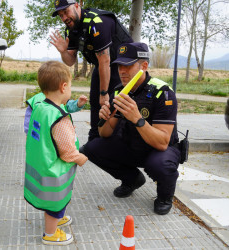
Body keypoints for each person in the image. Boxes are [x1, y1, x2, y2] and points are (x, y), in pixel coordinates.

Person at [83, 42, 181, 215]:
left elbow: (163, 142)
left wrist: (137, 119)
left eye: (127, 65)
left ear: (144, 66)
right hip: (131, 144)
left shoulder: (163, 92)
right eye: (120, 65)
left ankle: (165, 196)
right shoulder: (120, 91)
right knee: (91, 148)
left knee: (160, 163)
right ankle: (132, 179)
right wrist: (105, 118)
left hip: (157, 149)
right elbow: (105, 134)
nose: (122, 71)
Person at [50, 0, 133, 142]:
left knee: (113, 103)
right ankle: (94, 139)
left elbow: (105, 60)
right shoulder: (71, 28)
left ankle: (116, 141)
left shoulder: (96, 22)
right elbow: (70, 61)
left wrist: (104, 92)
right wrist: (63, 51)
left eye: (66, 12)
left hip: (124, 65)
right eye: (60, 15)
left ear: (77, 5)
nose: (64, 18)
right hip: (103, 64)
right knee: (95, 101)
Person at [24, 61, 88, 245]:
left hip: (41, 166)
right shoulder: (58, 119)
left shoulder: (40, 108)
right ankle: (50, 234)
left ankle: (55, 219)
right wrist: (81, 158)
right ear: (63, 86)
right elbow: (67, 151)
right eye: (71, 86)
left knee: (53, 201)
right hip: (54, 172)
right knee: (56, 202)